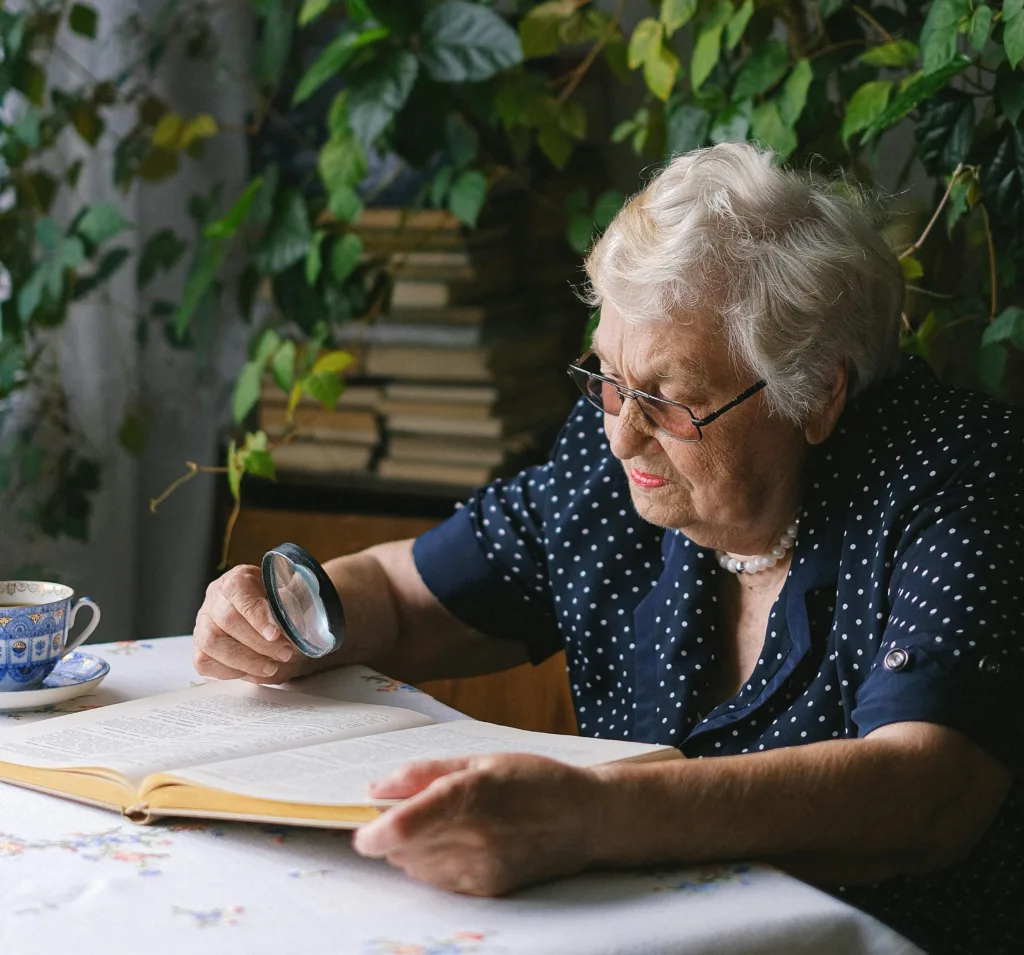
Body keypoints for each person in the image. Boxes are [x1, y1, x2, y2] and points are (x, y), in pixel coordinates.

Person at [192, 143, 1021, 955]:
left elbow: (928, 792)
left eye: (668, 401)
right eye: (608, 378)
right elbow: (403, 595)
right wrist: (288, 613)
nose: (623, 435)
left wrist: (590, 815)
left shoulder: (956, 475)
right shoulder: (612, 462)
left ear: (816, 392)